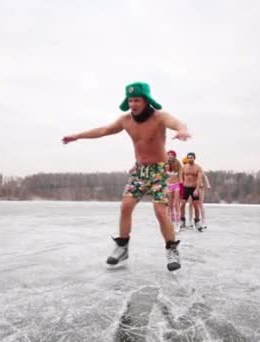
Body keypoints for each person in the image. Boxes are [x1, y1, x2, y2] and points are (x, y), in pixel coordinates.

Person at [62, 82, 191, 271]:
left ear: (146, 101)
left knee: (160, 211)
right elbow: (103, 130)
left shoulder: (159, 117)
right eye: (130, 100)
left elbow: (177, 123)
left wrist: (182, 130)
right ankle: (122, 247)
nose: (133, 104)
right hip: (139, 171)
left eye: (137, 100)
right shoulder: (125, 120)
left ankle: (172, 249)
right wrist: (77, 136)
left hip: (159, 172)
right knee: (126, 206)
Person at [180, 152, 204, 231]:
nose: (190, 159)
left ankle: (197, 221)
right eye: (188, 158)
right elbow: (181, 176)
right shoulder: (184, 167)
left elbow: (199, 179)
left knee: (196, 206)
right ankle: (182, 221)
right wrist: (181, 186)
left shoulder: (198, 168)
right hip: (185, 187)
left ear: (194, 158)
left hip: (194, 188)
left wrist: (197, 189)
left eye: (191, 157)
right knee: (182, 204)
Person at [166, 150, 183, 229]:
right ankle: (171, 221)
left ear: (174, 156)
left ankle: (178, 223)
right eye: (168, 155)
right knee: (169, 205)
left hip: (176, 185)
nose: (169, 156)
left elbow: (180, 178)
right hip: (169, 185)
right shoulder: (165, 164)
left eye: (171, 155)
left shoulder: (178, 165)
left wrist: (181, 188)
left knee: (176, 204)